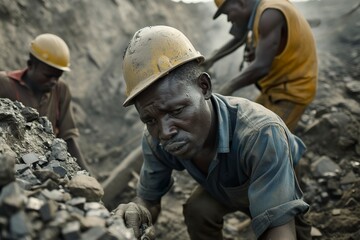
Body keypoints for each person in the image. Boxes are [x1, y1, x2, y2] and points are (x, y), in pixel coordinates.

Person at [114, 25, 310, 240]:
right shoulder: (155, 139)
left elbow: (279, 230)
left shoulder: (261, 133)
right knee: (198, 212)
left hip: (275, 173)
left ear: (204, 87)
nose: (165, 131)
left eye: (177, 110)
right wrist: (137, 213)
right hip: (224, 185)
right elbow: (148, 201)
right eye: (150, 119)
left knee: (287, 228)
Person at [203, 0, 318, 132]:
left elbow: (261, 66)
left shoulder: (270, 13)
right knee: (246, 130)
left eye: (228, 13)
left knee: (269, 143)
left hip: (292, 92)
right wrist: (210, 60)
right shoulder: (257, 10)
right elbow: (239, 38)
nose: (229, 19)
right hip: (274, 88)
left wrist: (225, 90)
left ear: (241, 3)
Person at [0, 33, 90, 172]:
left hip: (46, 168)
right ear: (31, 65)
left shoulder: (61, 89)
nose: (53, 81)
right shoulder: (5, 85)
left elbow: (69, 138)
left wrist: (87, 175)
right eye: (48, 76)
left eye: (58, 76)